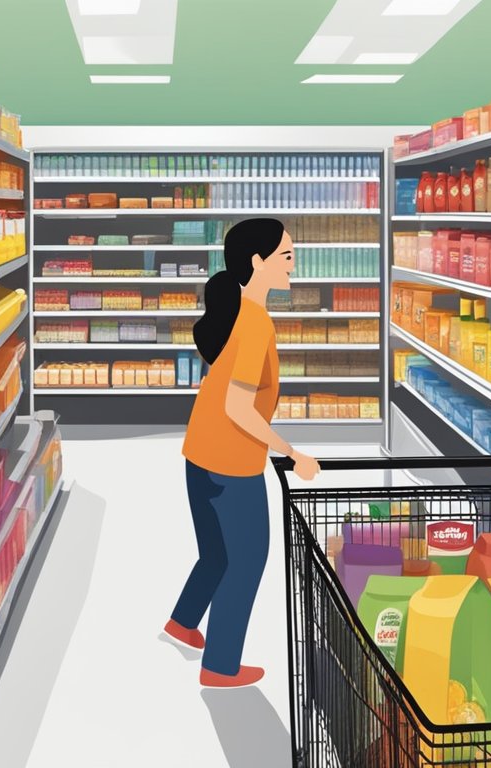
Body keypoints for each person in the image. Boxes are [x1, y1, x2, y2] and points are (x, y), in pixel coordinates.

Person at [164, 218, 320, 687]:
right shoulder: (253, 322)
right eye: (286, 256)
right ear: (258, 262)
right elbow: (239, 405)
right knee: (247, 560)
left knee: (215, 553)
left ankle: (183, 623)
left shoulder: (232, 313)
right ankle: (220, 666)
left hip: (200, 452)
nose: (294, 264)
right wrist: (292, 454)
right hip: (233, 462)